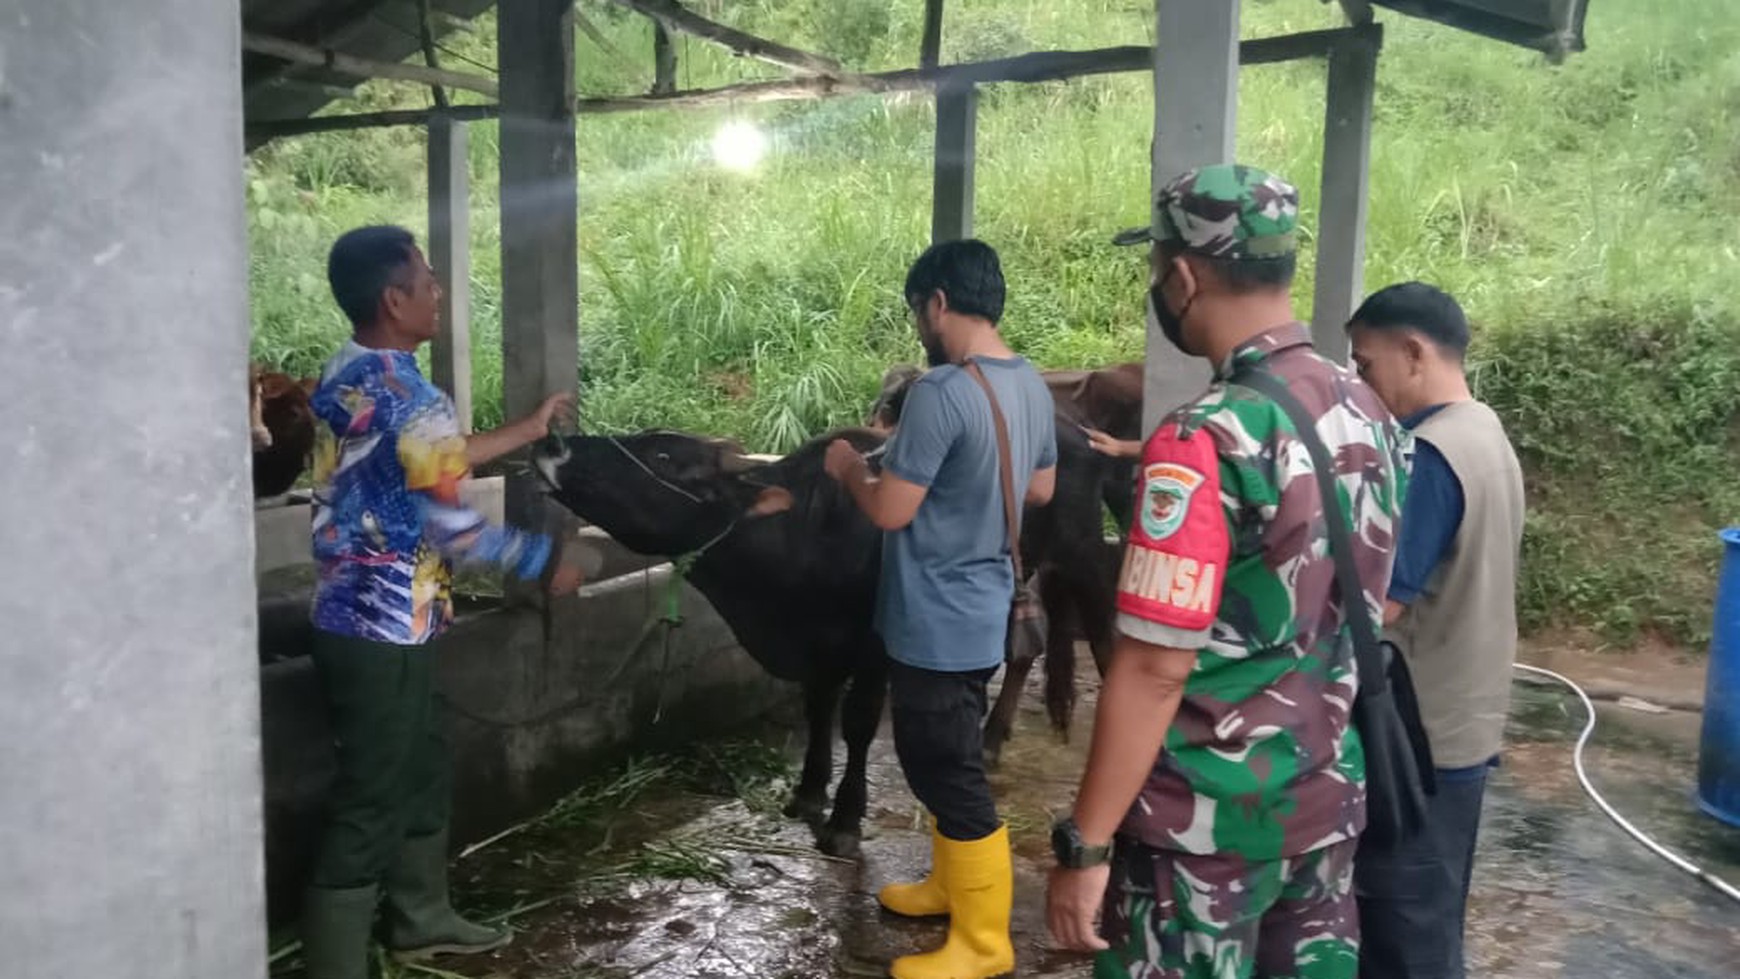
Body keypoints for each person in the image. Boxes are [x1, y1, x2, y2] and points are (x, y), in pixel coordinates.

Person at [1044, 164, 1408, 979]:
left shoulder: (1204, 438)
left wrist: (1086, 842)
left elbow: (1152, 666)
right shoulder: (1369, 410)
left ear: (1181, 275)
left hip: (1199, 840)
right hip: (1323, 811)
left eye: (1157, 269)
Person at [300, 225, 587, 979]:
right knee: (372, 793)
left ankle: (421, 918)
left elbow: (426, 457)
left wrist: (525, 429)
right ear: (395, 300)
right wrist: (545, 558)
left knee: (419, 762)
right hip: (384, 622)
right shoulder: (415, 397)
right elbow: (454, 527)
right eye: (427, 282)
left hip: (351, 613)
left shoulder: (351, 373)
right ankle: (337, 962)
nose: (437, 294)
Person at [822, 239, 1057, 979]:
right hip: (986, 608)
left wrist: (847, 469)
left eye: (918, 310)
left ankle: (985, 943)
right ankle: (951, 886)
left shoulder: (940, 391)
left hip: (935, 617)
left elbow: (891, 510)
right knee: (946, 755)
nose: (921, 326)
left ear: (939, 304)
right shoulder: (1031, 384)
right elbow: (1043, 489)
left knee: (944, 768)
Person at [1346, 282, 1525, 979]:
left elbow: (1378, 609)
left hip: (1415, 744)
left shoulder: (1428, 456)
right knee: (1434, 915)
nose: (1365, 385)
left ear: (1413, 351)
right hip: (1466, 731)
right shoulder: (1486, 430)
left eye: (1366, 366)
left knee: (1402, 933)